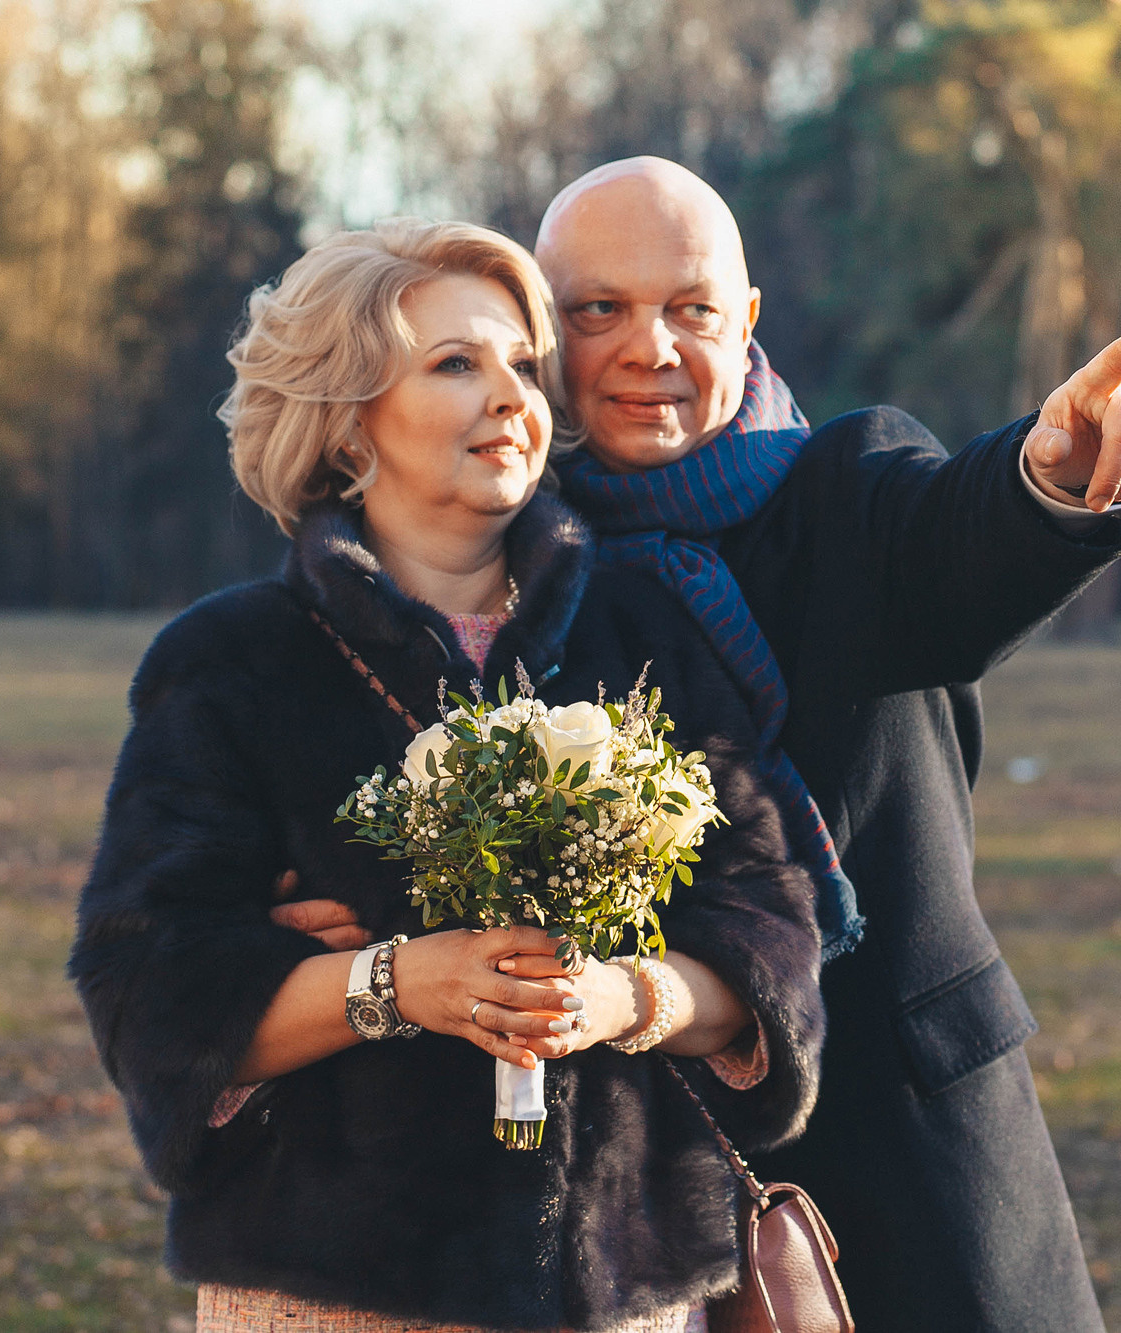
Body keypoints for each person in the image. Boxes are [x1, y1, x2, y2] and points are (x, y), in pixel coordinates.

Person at [277, 159, 1121, 1332]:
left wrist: (1051, 472)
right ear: (538, 331)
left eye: (689, 309)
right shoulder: (495, 558)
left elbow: (963, 535)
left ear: (745, 319)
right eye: (596, 309)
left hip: (902, 1142)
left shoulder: (850, 489)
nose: (648, 347)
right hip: (631, 1175)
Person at [68, 218, 825, 1333]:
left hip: (621, 1297)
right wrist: (394, 984)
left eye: (524, 362)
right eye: (455, 364)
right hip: (334, 1294)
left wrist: (624, 996)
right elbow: (149, 997)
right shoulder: (230, 661)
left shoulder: (646, 628)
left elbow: (773, 940)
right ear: (347, 418)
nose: (514, 396)